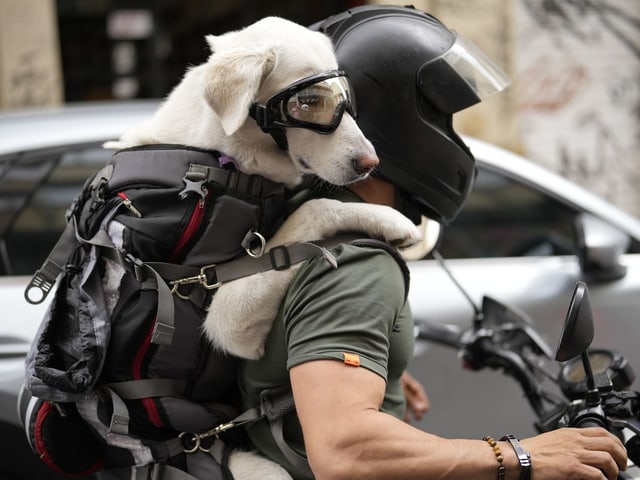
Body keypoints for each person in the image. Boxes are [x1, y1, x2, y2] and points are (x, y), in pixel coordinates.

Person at [236, 5, 628, 480]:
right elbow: (345, 451)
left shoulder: (291, 224)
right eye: (444, 119)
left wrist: (370, 372)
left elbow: (289, 353)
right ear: (396, 119)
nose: (451, 139)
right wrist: (524, 456)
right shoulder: (357, 264)